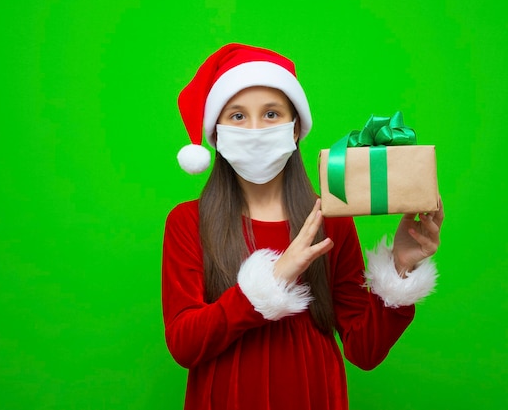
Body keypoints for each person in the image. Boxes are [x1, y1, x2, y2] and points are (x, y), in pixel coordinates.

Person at [162, 43, 444, 410]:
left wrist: (401, 267)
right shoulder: (188, 221)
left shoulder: (329, 217)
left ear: (295, 129)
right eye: (237, 116)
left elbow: (365, 351)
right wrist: (270, 281)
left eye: (271, 114)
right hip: (224, 396)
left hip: (313, 394)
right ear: (216, 134)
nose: (255, 129)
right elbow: (184, 344)